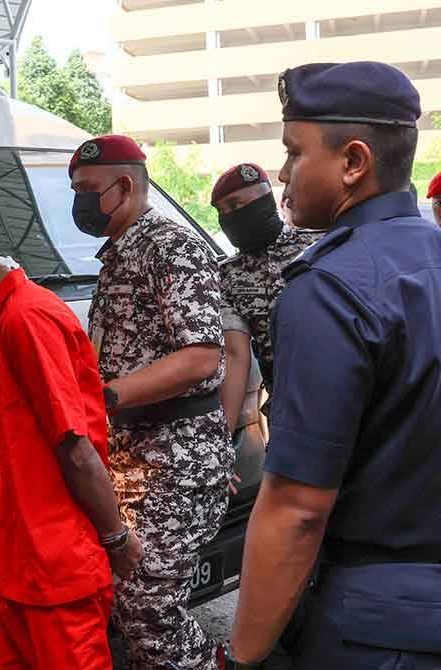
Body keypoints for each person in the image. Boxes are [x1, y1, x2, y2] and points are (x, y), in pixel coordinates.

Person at [226, 62, 441, 669]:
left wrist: (245, 655)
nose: (284, 173)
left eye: (294, 153)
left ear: (353, 163)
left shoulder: (330, 287)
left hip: (377, 626)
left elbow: (297, 509)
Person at [0, 211, 144, 670]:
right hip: (13, 567)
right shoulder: (7, 319)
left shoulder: (28, 319)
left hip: (54, 572)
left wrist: (116, 538)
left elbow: (75, 449)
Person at [71, 135, 234, 670]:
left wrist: (105, 396)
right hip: (135, 457)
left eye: (88, 190)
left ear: (124, 186)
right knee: (129, 607)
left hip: (174, 460)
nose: (80, 202)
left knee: (149, 610)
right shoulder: (121, 253)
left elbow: (202, 357)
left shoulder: (170, 246)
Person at [211, 163, 323, 431]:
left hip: (345, 393)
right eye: (222, 212)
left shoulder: (318, 245)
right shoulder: (227, 274)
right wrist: (223, 441)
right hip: (286, 410)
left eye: (237, 205)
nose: (231, 216)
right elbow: (235, 354)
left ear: (265, 200)